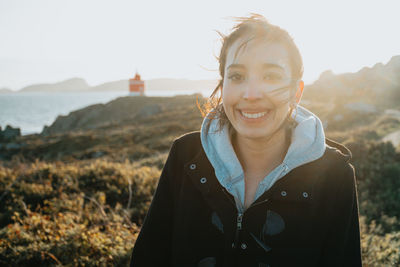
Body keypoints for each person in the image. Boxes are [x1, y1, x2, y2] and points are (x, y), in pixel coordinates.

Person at [130, 14, 362, 267]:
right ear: (223, 85)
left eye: (271, 76)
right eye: (237, 77)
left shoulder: (334, 175)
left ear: (296, 92)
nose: (251, 94)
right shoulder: (186, 155)